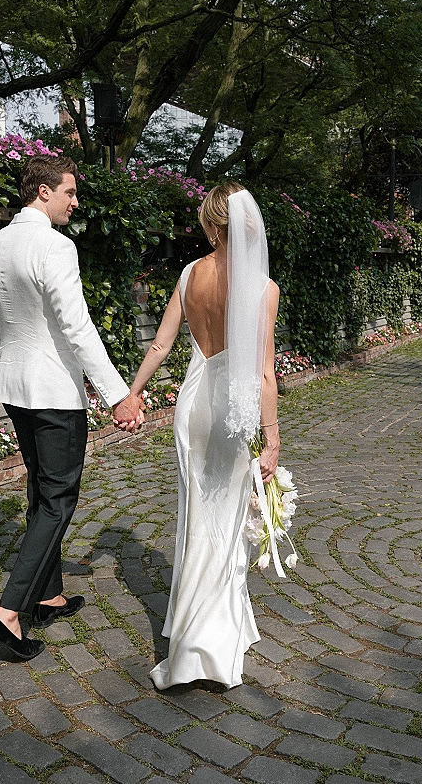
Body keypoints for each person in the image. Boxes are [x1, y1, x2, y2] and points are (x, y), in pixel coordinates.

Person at [0, 154, 143, 661]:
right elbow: (76, 326)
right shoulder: (55, 245)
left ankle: (48, 595)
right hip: (52, 394)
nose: (74, 201)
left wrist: (11, 365)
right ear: (42, 191)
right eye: (69, 192)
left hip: (16, 388)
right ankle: (7, 617)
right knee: (58, 498)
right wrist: (119, 395)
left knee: (39, 489)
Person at [129, 181, 280, 689]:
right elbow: (263, 373)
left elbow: (161, 343)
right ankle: (204, 646)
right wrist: (273, 439)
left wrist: (131, 394)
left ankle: (211, 625)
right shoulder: (262, 287)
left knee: (196, 515)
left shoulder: (189, 273)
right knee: (225, 518)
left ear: (212, 225)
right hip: (232, 411)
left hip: (193, 406)